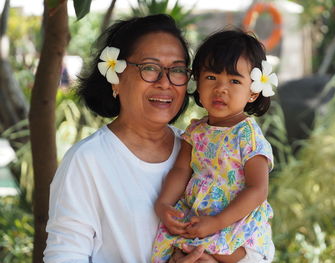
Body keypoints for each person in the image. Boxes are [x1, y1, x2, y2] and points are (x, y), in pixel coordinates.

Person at [43, 14, 215, 263]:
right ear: (116, 79)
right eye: (150, 68)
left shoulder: (203, 153)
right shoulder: (88, 161)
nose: (165, 83)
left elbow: (251, 241)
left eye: (177, 70)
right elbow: (64, 257)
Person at [152, 29, 278, 263]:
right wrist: (164, 204)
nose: (221, 88)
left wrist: (217, 222)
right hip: (199, 220)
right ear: (197, 81)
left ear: (252, 91)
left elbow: (257, 190)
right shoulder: (196, 131)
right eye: (211, 77)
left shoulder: (247, 135)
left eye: (234, 81)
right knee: (178, 251)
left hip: (236, 224)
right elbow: (181, 170)